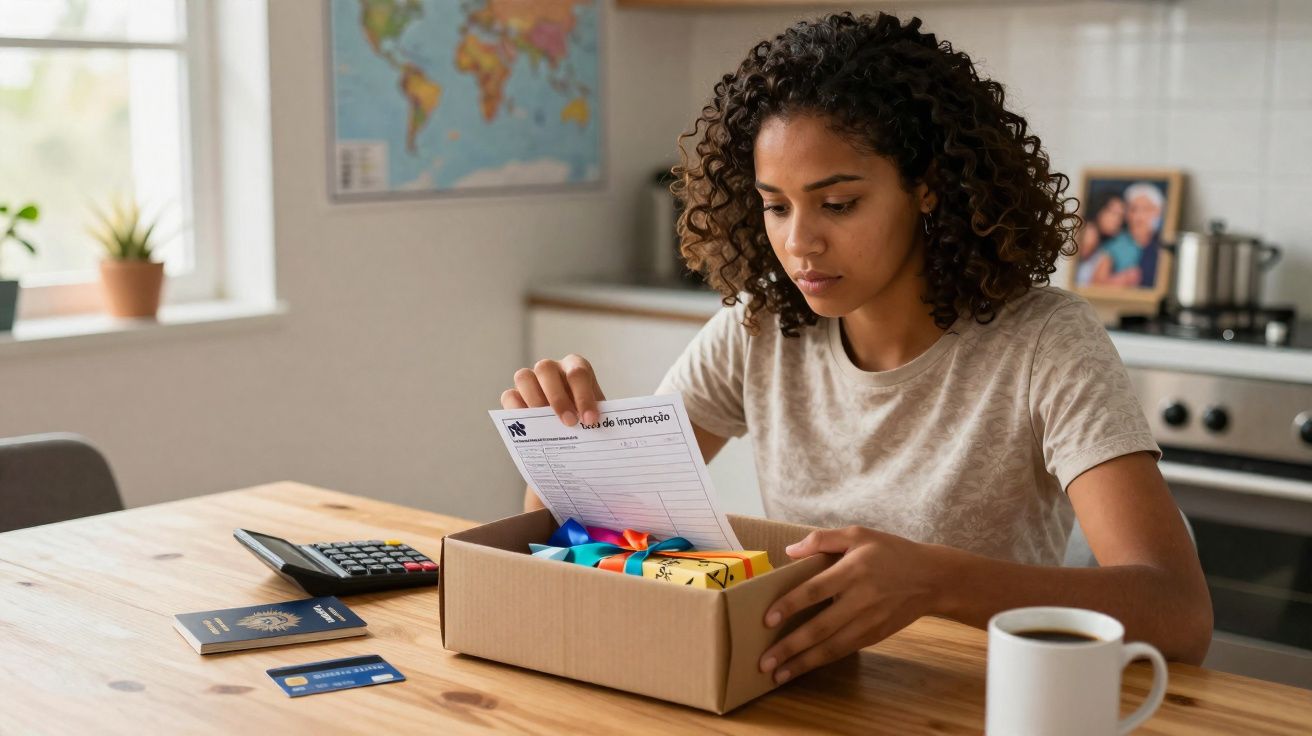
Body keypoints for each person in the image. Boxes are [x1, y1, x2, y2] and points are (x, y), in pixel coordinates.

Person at [500, 13, 1211, 684]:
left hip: (978, 695)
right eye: (775, 206)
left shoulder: (1046, 342)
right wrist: (564, 448)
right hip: (806, 683)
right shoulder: (760, 327)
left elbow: (1180, 613)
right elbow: (598, 535)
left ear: (929, 188)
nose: (799, 243)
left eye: (837, 204)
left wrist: (935, 579)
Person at [1091, 182, 1164, 288]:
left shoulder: (1162, 242)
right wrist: (1122, 279)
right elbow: (1095, 285)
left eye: (1146, 209)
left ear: (1157, 212)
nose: (1138, 217)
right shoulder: (1115, 245)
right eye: (1133, 209)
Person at [1075, 194, 1123, 286]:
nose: (1118, 220)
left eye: (1121, 215)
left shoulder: (1102, 243)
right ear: (1100, 210)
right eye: (1113, 213)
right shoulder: (1090, 233)